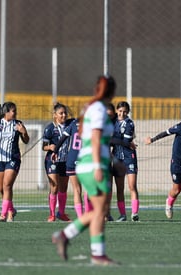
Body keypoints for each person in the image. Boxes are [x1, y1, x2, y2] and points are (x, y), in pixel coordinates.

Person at [52, 75, 118, 265]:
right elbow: (96, 139)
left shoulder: (96, 108)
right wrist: (98, 165)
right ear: (111, 91)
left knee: (100, 210)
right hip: (91, 164)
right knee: (100, 211)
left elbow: (100, 141)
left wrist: (113, 161)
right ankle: (97, 254)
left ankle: (64, 235)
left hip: (93, 163)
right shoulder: (98, 109)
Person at [0, 102, 29, 222]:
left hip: (13, 159)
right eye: (13, 110)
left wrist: (23, 131)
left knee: (7, 185)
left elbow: (26, 140)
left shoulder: (18, 124)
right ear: (6, 112)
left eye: (15, 110)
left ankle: (3, 214)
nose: (15, 113)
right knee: (1, 189)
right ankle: (11, 210)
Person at [111, 101, 140, 222]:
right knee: (119, 188)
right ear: (117, 110)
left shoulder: (129, 123)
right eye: (120, 111)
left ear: (128, 112)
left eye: (124, 111)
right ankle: (122, 215)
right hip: (117, 157)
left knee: (132, 185)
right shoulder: (111, 122)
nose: (122, 113)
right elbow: (114, 140)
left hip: (129, 156)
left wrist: (113, 139)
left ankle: (134, 213)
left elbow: (126, 141)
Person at [43, 103, 71, 222]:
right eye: (61, 113)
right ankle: (52, 214)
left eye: (65, 113)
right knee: (54, 186)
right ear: (55, 115)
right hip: (52, 161)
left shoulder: (70, 125)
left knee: (63, 188)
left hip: (65, 161)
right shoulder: (50, 128)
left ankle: (61, 213)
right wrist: (50, 147)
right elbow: (43, 146)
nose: (64, 115)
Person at [52, 118, 84, 218]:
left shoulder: (74, 123)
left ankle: (80, 217)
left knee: (76, 190)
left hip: (72, 159)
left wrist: (55, 151)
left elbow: (63, 138)